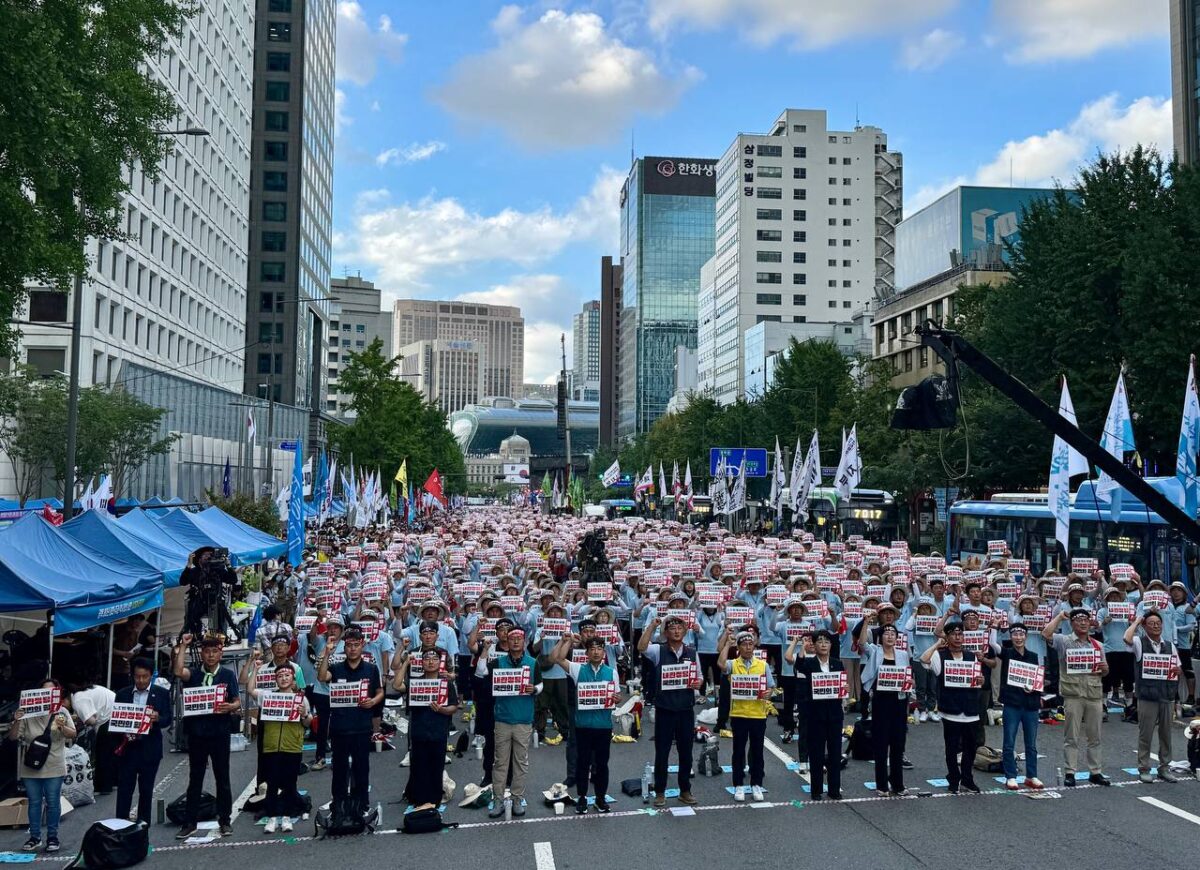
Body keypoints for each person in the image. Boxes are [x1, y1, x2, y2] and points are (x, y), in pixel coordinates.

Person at [173, 633, 241, 839]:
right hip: (197, 733)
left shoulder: (227, 675)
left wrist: (230, 706)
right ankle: (190, 822)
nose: (210, 655)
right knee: (195, 778)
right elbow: (178, 671)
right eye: (207, 651)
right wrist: (183, 646)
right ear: (201, 654)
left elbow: (237, 701)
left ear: (220, 654)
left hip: (219, 732)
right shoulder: (194, 674)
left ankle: (225, 819)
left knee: (223, 777)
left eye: (214, 651)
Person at [638, 613, 703, 808]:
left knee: (686, 752)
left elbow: (699, 677)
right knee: (662, 752)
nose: (676, 631)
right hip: (665, 708)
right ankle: (660, 791)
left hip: (685, 708)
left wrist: (698, 683)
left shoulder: (691, 652)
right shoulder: (659, 650)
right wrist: (652, 626)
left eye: (680, 628)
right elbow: (641, 647)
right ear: (666, 632)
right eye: (672, 628)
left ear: (685, 631)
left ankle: (685, 790)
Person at [476, 627, 542, 817]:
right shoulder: (498, 662)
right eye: (512, 638)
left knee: (520, 762)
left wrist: (534, 689)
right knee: (500, 762)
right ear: (507, 640)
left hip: (523, 719)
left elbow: (540, 684)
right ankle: (498, 799)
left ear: (524, 642)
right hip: (502, 719)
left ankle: (517, 798)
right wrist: (485, 650)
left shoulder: (533, 663)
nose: (515, 641)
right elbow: (480, 672)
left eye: (519, 638)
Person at [317, 626, 384, 810]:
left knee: (361, 767)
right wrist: (327, 653)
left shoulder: (371, 669)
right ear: (344, 647)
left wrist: (372, 701)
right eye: (349, 645)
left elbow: (380, 692)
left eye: (356, 645)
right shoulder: (336, 668)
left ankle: (361, 803)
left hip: (362, 726)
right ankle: (338, 802)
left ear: (362, 646)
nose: (353, 649)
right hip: (340, 726)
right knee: (339, 768)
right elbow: (322, 677)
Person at [1043, 608, 1111, 787]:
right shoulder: (1064, 641)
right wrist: (1060, 616)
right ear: (1072, 623)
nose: (1083, 623)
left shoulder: (1097, 645)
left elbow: (1104, 671)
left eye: (1085, 620)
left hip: (1094, 693)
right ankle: (1070, 772)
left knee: (1095, 736)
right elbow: (1046, 633)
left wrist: (1104, 669)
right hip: (1073, 693)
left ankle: (1095, 771)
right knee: (1071, 736)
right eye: (1078, 620)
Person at [7, 679, 76, 853]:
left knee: (53, 802)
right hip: (31, 765)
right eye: (44, 691)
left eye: (51, 691)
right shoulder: (28, 712)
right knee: (34, 802)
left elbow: (72, 734)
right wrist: (17, 720)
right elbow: (13, 737)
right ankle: (35, 837)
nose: (47, 694)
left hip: (54, 764)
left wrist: (62, 727)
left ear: (57, 693)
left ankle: (52, 837)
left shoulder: (61, 711)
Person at [551, 634, 617, 813]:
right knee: (583, 763)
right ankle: (582, 797)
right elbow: (558, 658)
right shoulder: (578, 669)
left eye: (599, 649)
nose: (596, 652)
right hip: (583, 725)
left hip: (603, 726)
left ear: (604, 652)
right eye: (592, 649)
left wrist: (616, 698)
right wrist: (566, 641)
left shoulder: (612, 672)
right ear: (586, 653)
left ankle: (600, 798)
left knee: (602, 764)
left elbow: (616, 695)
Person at [248, 661, 312, 833]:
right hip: (271, 747)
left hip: (292, 746)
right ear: (275, 679)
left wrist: (304, 714)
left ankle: (287, 816)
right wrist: (255, 669)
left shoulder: (301, 699)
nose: (284, 679)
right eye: (280, 676)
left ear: (293, 679)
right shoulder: (268, 696)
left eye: (287, 675)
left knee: (290, 783)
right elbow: (251, 690)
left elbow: (308, 722)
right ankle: (272, 817)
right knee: (272, 783)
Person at [920, 621, 982, 793]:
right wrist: (937, 644)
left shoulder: (971, 656)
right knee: (952, 747)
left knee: (971, 747)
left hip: (970, 709)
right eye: (953, 634)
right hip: (950, 709)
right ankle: (954, 778)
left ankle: (967, 779)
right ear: (947, 637)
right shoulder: (940, 656)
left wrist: (981, 680)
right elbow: (923, 660)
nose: (957, 637)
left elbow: (977, 678)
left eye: (960, 634)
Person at [394, 647, 459, 807]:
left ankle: (434, 800)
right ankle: (417, 799)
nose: (431, 662)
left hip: (439, 731)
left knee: (436, 766)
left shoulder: (446, 683)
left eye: (434, 659)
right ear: (421, 663)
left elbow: (454, 706)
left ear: (440, 663)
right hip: (419, 731)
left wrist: (442, 710)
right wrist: (406, 663)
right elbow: (396, 685)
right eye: (427, 659)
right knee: (419, 766)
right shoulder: (415, 682)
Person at [114, 657, 173, 825]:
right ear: (132, 675)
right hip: (128, 748)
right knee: (125, 789)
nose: (140, 680)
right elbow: (116, 719)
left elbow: (168, 719)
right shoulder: (122, 694)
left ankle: (143, 825)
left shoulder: (161, 693)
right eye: (137, 676)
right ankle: (120, 824)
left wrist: (157, 718)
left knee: (146, 790)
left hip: (150, 748)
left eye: (144, 677)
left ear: (151, 676)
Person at [1123, 611, 1181, 783]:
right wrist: (1137, 621)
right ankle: (1144, 768)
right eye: (1151, 623)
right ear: (1144, 626)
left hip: (1166, 695)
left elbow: (1178, 668)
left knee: (1166, 734)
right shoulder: (1139, 643)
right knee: (1145, 734)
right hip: (1147, 696)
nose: (1156, 626)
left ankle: (1164, 767)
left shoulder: (1170, 645)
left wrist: (1177, 671)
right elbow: (1126, 638)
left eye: (1158, 623)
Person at [718, 629, 773, 802]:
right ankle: (738, 785)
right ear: (738, 648)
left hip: (758, 714)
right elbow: (721, 664)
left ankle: (756, 783)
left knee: (757, 751)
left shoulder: (763, 665)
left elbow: (770, 686)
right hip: (739, 714)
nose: (748, 647)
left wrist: (769, 693)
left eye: (751, 644)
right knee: (738, 751)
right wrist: (727, 644)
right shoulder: (733, 664)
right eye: (744, 645)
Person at [859, 619, 911, 796]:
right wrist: (866, 622)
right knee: (881, 743)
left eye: (893, 634)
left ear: (897, 637)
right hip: (881, 701)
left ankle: (898, 783)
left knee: (898, 743)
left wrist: (910, 682)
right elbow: (862, 643)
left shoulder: (903, 654)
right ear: (880, 637)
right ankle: (881, 784)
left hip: (899, 700)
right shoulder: (875, 651)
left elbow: (907, 675)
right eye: (886, 633)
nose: (889, 636)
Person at [794, 630, 845, 801]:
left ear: (831, 645)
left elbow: (842, 685)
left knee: (835, 752)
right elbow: (798, 665)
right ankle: (816, 789)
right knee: (816, 752)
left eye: (826, 642)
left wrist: (845, 690)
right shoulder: (809, 664)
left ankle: (834, 789)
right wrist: (802, 647)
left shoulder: (837, 664)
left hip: (835, 714)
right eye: (820, 641)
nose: (823, 645)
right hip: (815, 714)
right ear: (814, 645)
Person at [998, 624, 1043, 790]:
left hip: (1030, 704)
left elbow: (1038, 678)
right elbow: (993, 645)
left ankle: (1031, 775)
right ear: (1010, 637)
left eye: (1021, 634)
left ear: (1026, 636)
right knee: (1009, 741)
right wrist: (994, 627)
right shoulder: (1007, 653)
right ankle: (1010, 776)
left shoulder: (1033, 656)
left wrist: (1035, 689)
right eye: (1015, 634)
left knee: (1031, 743)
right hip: (1012, 703)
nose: (1018, 637)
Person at [70, 678, 116, 795]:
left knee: (103, 753)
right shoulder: (85, 691)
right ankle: (113, 782)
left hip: (108, 718)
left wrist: (81, 719)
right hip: (115, 712)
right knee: (111, 752)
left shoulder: (77, 699)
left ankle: (104, 787)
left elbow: (91, 720)